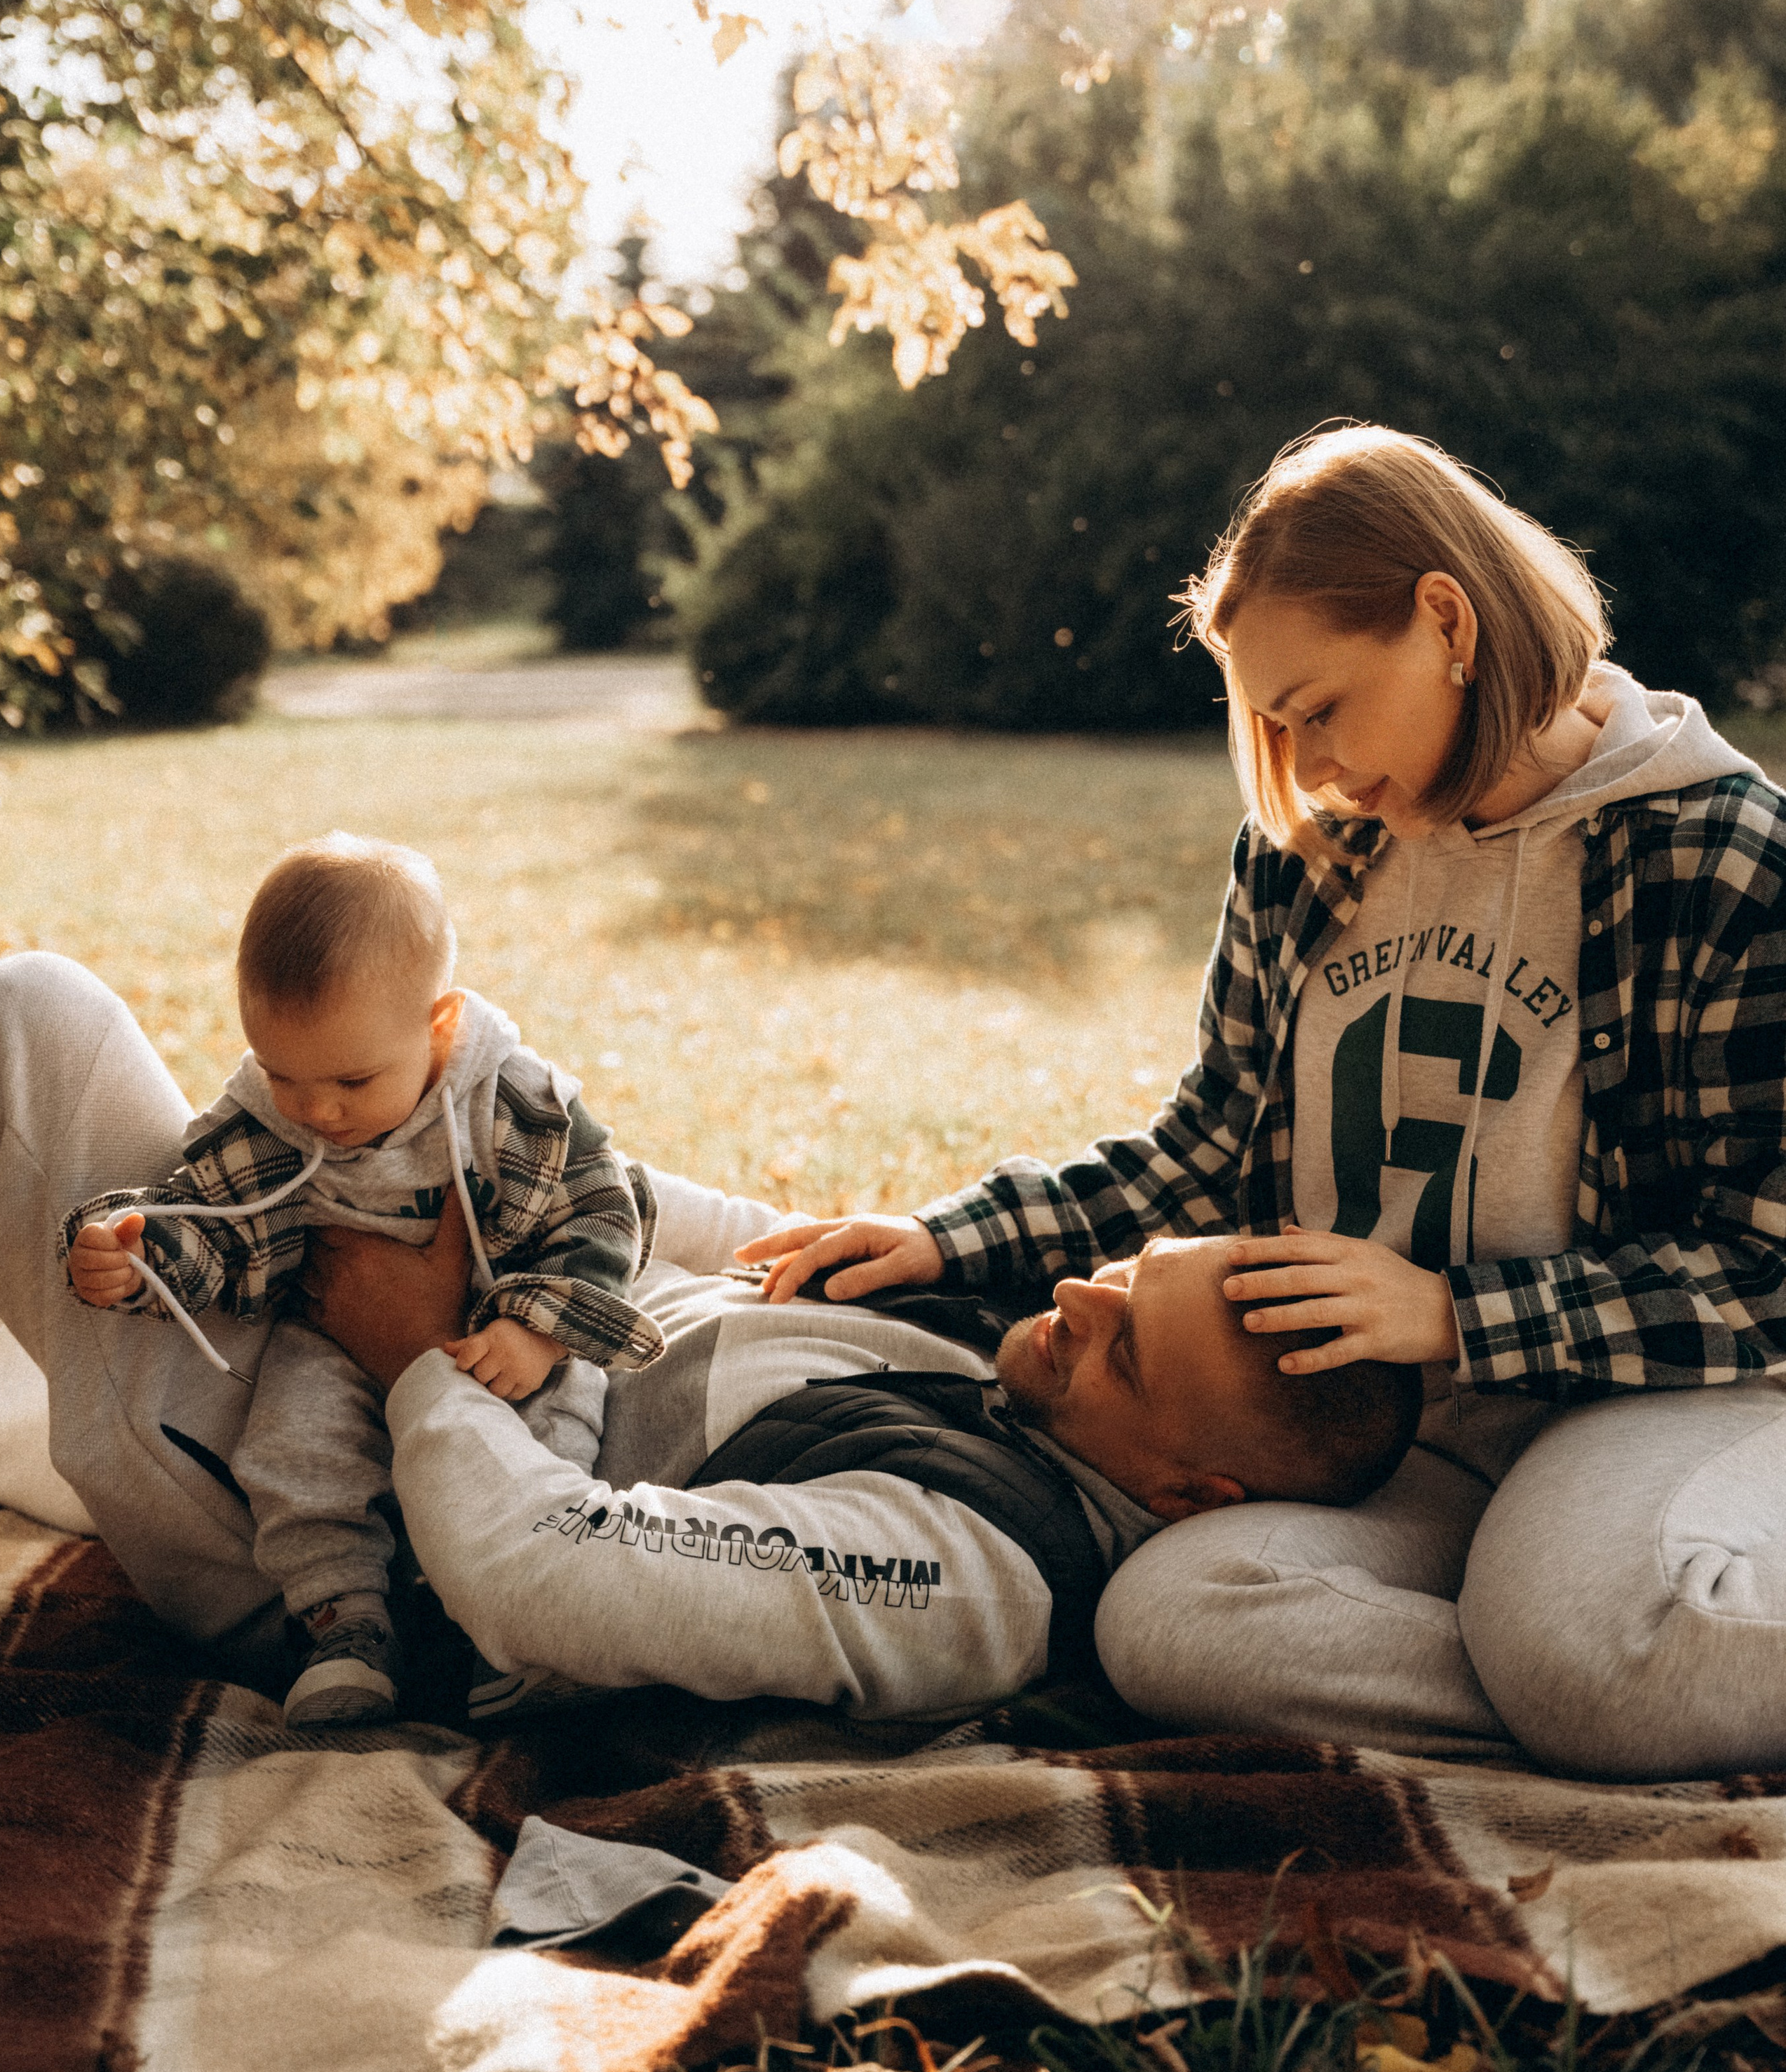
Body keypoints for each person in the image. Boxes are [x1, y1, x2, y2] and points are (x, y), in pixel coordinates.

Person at [739, 430, 1786, 1781]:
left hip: (1641, 1397)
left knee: (1602, 1647)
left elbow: (1768, 1261)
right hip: (1394, 1438)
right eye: (1272, 723)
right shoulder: (1312, 852)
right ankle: (1563, 1690)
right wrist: (949, 1239)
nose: (1306, 763)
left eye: (1319, 706)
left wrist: (1457, 1315)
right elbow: (1211, 1147)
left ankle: (1593, 1658)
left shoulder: (1718, 852)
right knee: (1170, 1622)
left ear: (1447, 620)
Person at [0, 947, 1419, 1725]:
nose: (1081, 1301)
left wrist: (414, 1345)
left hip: (322, 1535)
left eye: (1125, 1348)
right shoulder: (1021, 1358)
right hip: (393, 1333)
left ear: (1185, 1494)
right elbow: (723, 1239)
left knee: (31, 1024)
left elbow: (539, 1577)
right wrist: (507, 1168)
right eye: (1127, 1275)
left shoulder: (969, 1569)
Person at [59, 835, 661, 1726]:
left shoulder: (511, 1103)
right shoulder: (267, 1123)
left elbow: (605, 1210)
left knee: (546, 1433)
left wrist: (537, 1328)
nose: (319, 1110)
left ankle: (518, 1627)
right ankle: (343, 1626)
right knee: (294, 1448)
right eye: (284, 1074)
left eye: (351, 1079)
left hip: (497, 1328)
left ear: (441, 1024)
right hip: (331, 1333)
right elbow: (219, 1227)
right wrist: (141, 1254)